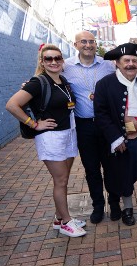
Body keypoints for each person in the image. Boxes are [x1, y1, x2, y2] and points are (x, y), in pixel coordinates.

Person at [6, 44, 86, 237]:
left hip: (68, 134)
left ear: (62, 60)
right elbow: (11, 104)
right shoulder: (37, 82)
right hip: (51, 138)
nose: (53, 62)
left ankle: (60, 218)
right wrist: (34, 124)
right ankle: (67, 222)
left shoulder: (62, 81)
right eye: (48, 59)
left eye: (57, 58)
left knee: (64, 179)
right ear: (42, 62)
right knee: (60, 180)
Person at [93, 43, 137, 226]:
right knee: (124, 174)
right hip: (122, 138)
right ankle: (128, 208)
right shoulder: (104, 84)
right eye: (126, 60)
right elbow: (101, 114)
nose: (131, 64)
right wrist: (115, 138)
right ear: (117, 62)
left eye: (134, 60)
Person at [63, 31, 118, 224]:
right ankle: (97, 205)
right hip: (83, 125)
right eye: (84, 42)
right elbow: (48, 78)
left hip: (107, 124)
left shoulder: (108, 65)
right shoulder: (66, 66)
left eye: (91, 42)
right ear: (76, 44)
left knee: (111, 166)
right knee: (91, 168)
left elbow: (127, 79)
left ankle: (115, 202)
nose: (88, 45)